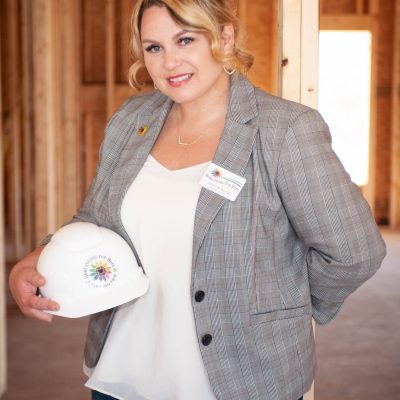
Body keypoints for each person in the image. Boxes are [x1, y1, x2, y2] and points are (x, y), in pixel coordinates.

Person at [9, 0, 386, 399]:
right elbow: (95, 219)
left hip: (240, 381)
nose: (170, 62)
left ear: (225, 37)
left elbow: (354, 252)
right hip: (121, 372)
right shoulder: (130, 120)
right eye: (154, 47)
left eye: (185, 40)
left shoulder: (284, 130)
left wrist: (276, 305)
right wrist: (38, 258)